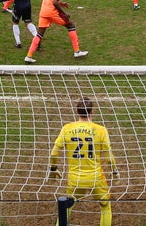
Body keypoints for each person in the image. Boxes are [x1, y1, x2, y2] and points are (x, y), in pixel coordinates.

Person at [49, 97, 115, 226]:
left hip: (75, 179)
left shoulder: (67, 128)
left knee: (66, 207)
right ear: (92, 112)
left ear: (77, 111)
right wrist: (115, 171)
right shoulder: (101, 130)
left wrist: (53, 169)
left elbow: (54, 153)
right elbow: (108, 156)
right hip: (96, 178)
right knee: (105, 206)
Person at [25, 0, 89, 63]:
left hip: (43, 10)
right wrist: (64, 13)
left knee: (39, 33)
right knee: (70, 25)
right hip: (52, 11)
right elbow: (54, 2)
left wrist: (61, 3)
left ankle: (29, 56)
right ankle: (77, 51)